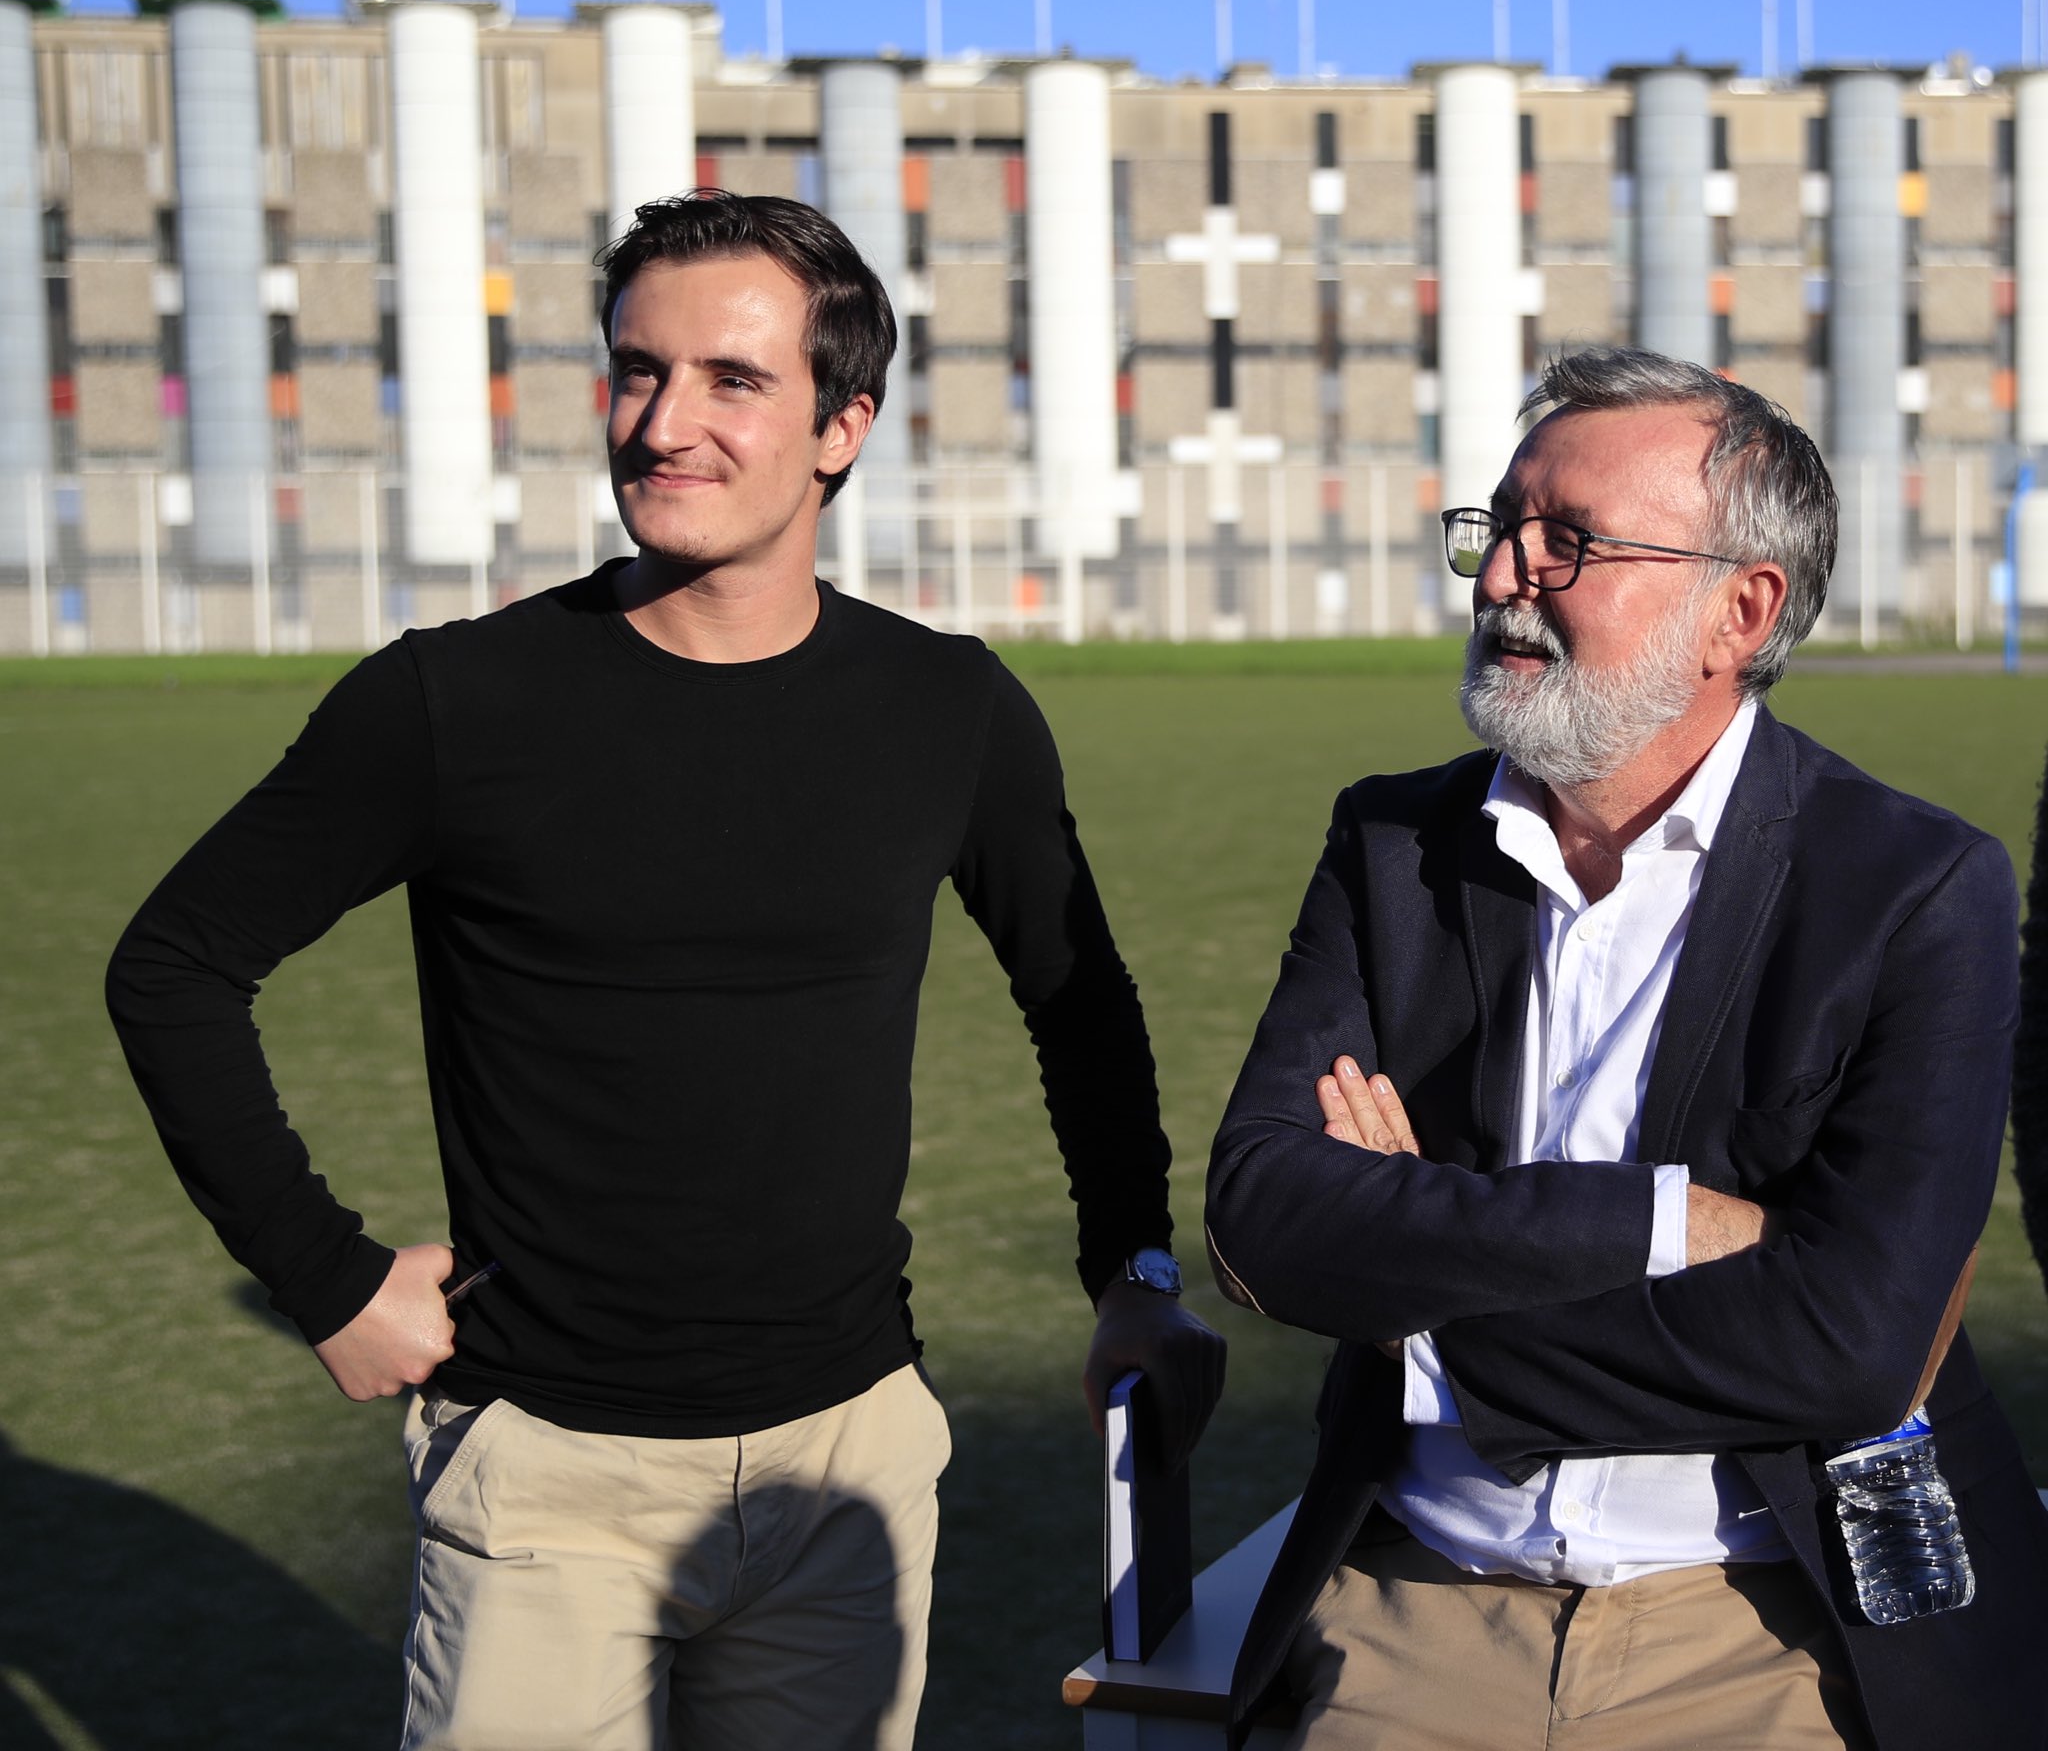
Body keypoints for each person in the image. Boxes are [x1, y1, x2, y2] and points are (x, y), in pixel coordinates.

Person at [107, 190, 1225, 1751]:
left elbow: (1078, 1000)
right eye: (638, 371)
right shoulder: (452, 703)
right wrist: (325, 1275)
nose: (662, 423)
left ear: (842, 427)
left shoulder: (948, 710)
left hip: (848, 1472)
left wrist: (1135, 1272)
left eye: (731, 380)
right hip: (546, 1481)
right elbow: (174, 966)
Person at [1205, 347, 2048, 1751]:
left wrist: (1423, 1304)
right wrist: (1660, 1222)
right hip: (1421, 1602)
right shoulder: (1394, 844)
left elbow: (1854, 1343)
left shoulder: (1912, 886)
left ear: (1741, 609)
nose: (1501, 578)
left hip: (1763, 1622)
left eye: (1569, 543)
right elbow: (1264, 1214)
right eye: (1499, 528)